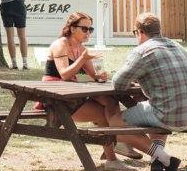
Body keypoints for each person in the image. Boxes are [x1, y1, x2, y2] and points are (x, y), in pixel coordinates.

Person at [110, 12, 187, 171]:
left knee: (114, 122)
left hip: (169, 115)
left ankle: (162, 157)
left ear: (139, 32)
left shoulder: (142, 51)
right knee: (154, 108)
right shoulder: (178, 46)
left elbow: (118, 83)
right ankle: (158, 164)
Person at [44, 11, 143, 162]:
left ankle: (117, 147)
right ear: (72, 28)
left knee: (110, 102)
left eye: (90, 29)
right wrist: (83, 59)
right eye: (84, 29)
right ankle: (114, 153)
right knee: (107, 115)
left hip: (70, 92)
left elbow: (94, 76)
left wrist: (99, 76)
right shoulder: (61, 45)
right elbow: (64, 74)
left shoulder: (82, 49)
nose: (88, 33)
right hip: (55, 96)